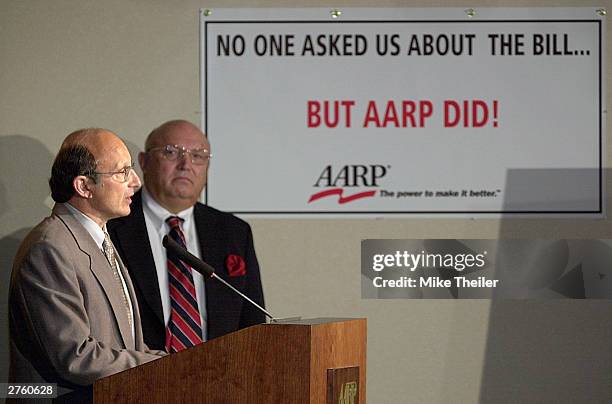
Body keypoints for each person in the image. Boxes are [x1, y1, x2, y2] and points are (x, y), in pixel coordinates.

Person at [8, 128, 165, 402]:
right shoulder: (50, 248)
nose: (136, 182)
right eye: (122, 172)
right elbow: (75, 356)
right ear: (84, 186)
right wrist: (161, 366)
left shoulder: (99, 238)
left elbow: (128, 345)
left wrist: (180, 362)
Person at [107, 120, 265, 352]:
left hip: (220, 378)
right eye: (171, 152)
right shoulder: (111, 226)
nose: (185, 164)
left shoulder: (234, 232)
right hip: (134, 376)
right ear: (143, 162)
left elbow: (253, 322)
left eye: (198, 156)